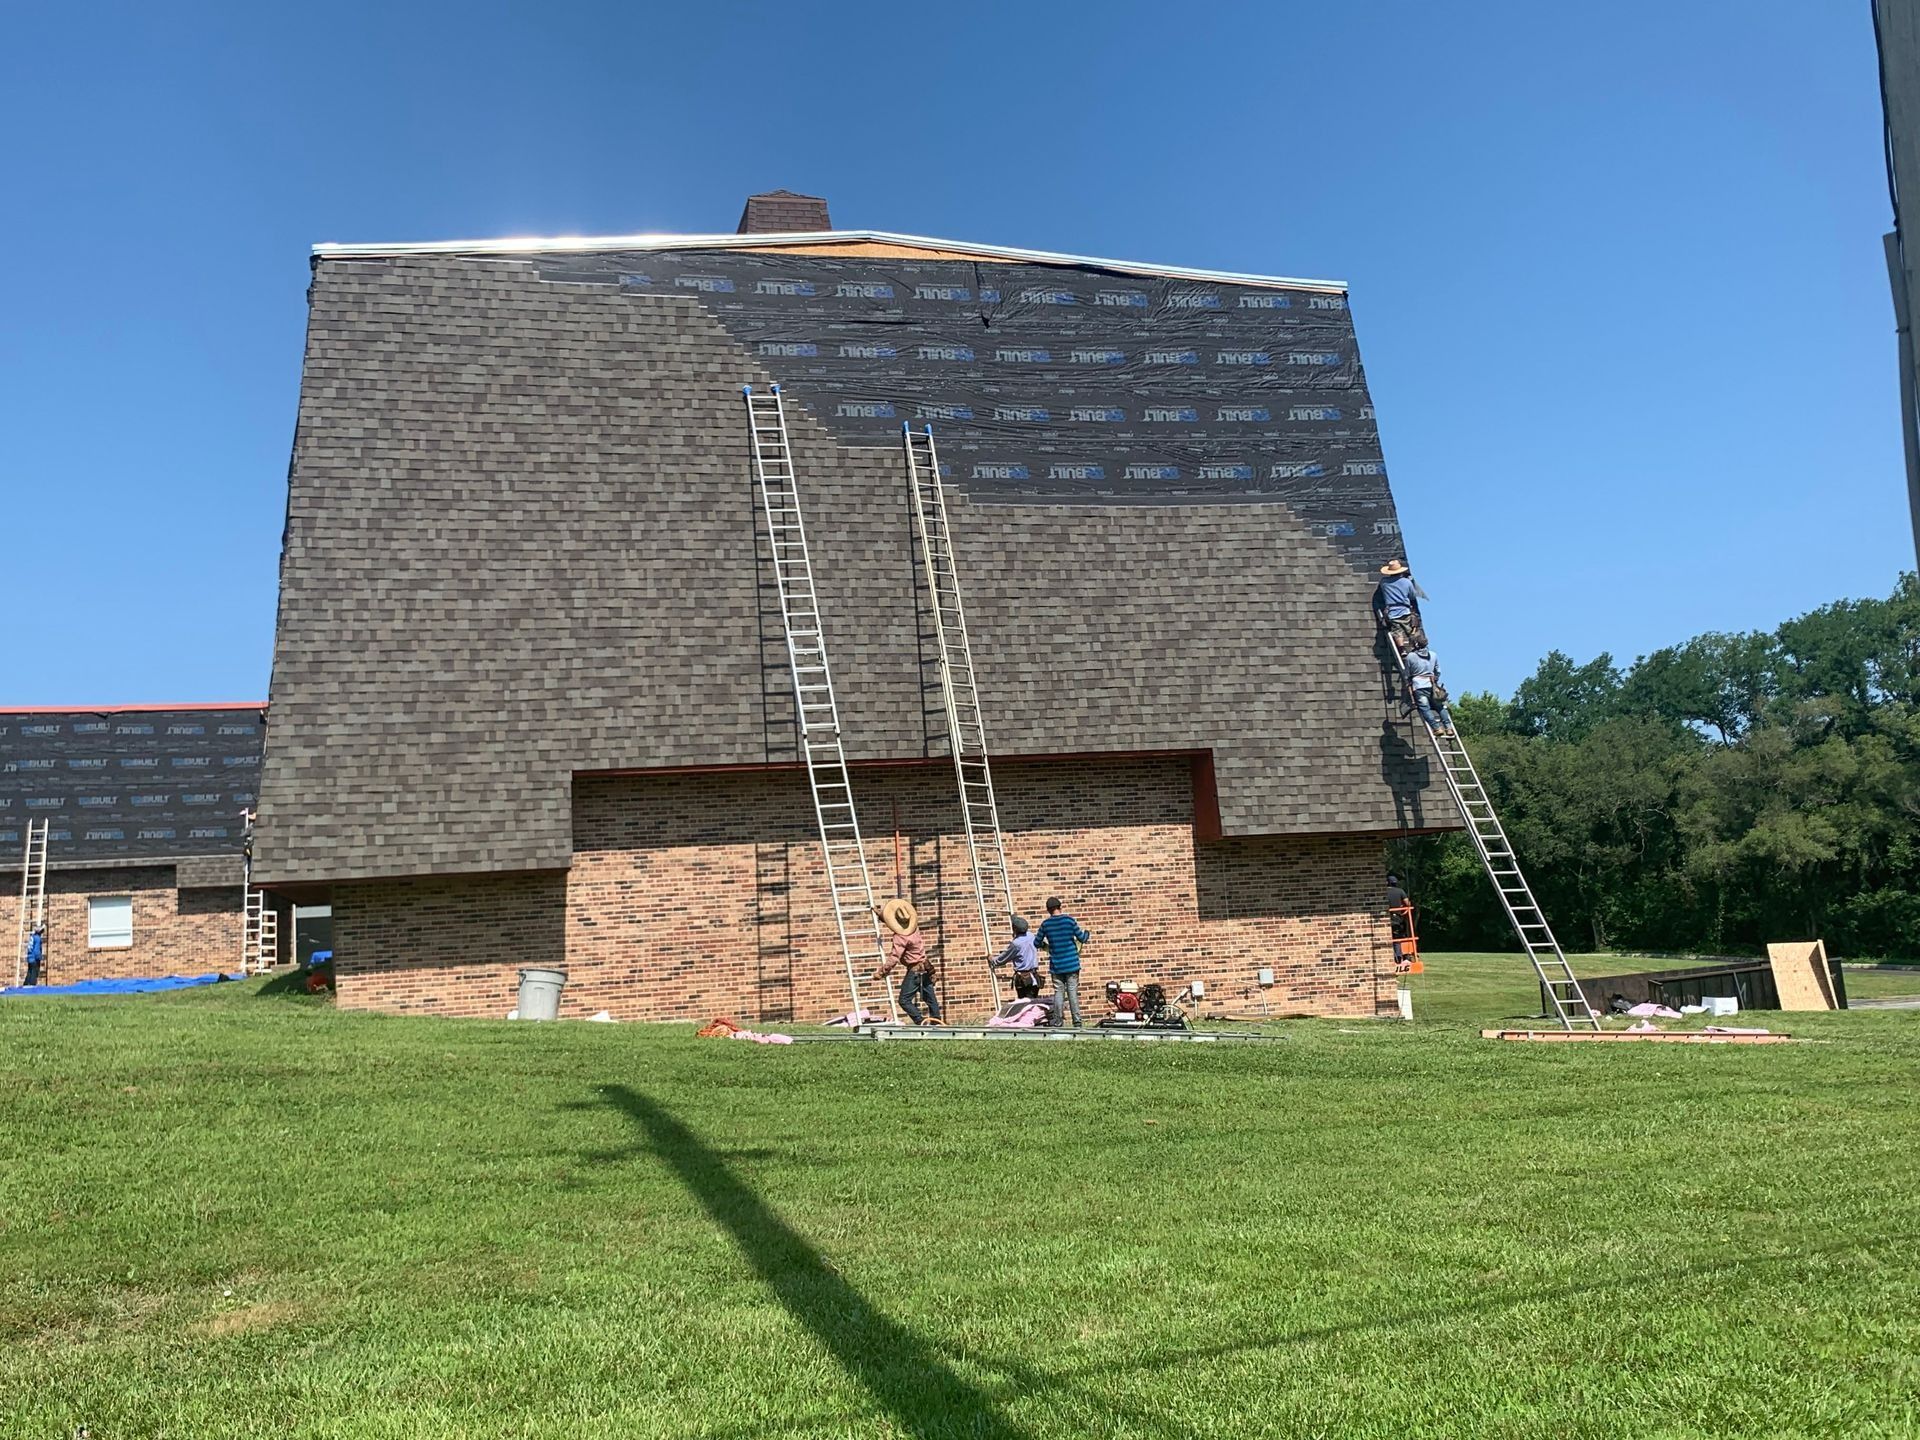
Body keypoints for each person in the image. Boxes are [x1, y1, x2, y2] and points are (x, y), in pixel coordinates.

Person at [873, 898, 942, 1025]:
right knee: (931, 999)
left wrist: (882, 972)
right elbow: (897, 923)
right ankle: (937, 1023)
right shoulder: (914, 928)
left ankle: (921, 1021)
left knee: (904, 1000)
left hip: (915, 971)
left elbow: (894, 957)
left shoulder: (900, 937)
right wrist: (880, 914)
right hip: (925, 968)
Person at [1035, 896, 1089, 1027]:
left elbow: (1036, 942)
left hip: (1056, 965)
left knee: (1058, 992)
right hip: (1072, 964)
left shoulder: (1045, 924)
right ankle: (1077, 1021)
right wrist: (1087, 933)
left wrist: (1045, 946)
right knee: (1072, 992)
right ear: (1060, 907)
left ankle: (1058, 1021)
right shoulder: (1069, 921)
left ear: (1048, 910)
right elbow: (1082, 938)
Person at [1402, 644, 1456, 736]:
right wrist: (1435, 679)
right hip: (1432, 685)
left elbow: (1407, 673)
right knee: (1440, 706)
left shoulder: (1411, 656)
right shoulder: (1433, 654)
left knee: (1425, 708)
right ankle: (1448, 727)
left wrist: (1408, 681)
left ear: (1416, 644)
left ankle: (1436, 728)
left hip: (1419, 685)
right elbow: (1438, 671)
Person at [1372, 559, 1424, 652]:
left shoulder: (1384, 583)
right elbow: (1412, 596)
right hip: (1405, 610)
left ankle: (1402, 650)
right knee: (1411, 630)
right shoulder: (1407, 582)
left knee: (1397, 632)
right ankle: (1416, 647)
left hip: (1392, 612)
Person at [989, 915, 1041, 1000]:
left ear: (1015, 929)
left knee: (1024, 1005)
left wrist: (992, 960)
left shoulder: (1016, 943)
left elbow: (1003, 959)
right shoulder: (1031, 936)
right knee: (1032, 1003)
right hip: (1034, 977)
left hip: (1024, 979)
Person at [22, 920, 45, 987]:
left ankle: (26, 985)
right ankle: (32, 985)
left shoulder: (32, 937)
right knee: (34, 973)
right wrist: (39, 957)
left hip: (30, 957)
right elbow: (36, 950)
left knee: (29, 971)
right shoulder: (37, 938)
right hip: (34, 958)